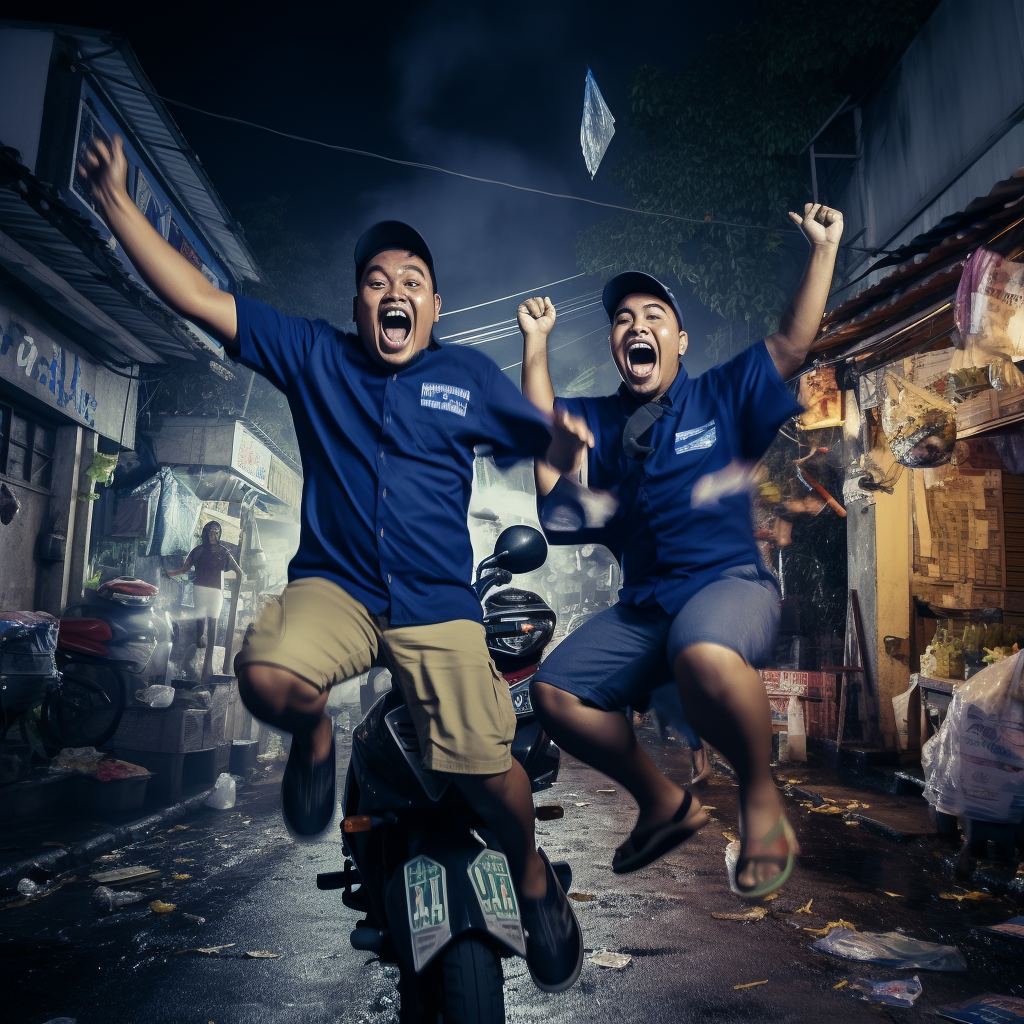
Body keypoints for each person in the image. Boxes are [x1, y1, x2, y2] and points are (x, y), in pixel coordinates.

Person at [79, 135, 589, 992]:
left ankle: (534, 881)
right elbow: (205, 299)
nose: (394, 291)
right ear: (358, 305)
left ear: (435, 308)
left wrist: (553, 404)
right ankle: (316, 737)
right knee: (267, 675)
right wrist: (120, 204)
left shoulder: (464, 374)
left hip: (437, 604)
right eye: (377, 281)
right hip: (338, 592)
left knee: (485, 761)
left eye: (412, 283)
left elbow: (541, 434)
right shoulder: (314, 355)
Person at [519, 203, 843, 898]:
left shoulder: (721, 395)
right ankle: (661, 802)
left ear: (682, 340)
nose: (636, 327)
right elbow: (546, 431)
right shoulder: (601, 421)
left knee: (702, 652)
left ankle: (760, 801)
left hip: (728, 587)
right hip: (645, 606)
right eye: (623, 320)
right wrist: (537, 344)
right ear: (615, 344)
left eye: (653, 317)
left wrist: (822, 251)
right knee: (553, 693)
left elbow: (790, 344)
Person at [166, 520, 243, 647]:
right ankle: (199, 643)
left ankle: (211, 647)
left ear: (219, 534)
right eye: (211, 531)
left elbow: (238, 571)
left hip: (216, 591)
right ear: (205, 533)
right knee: (200, 618)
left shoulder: (224, 551)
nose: (213, 535)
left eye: (216, 532)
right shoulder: (197, 551)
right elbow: (184, 569)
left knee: (213, 619)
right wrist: (171, 574)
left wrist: (237, 586)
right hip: (200, 589)